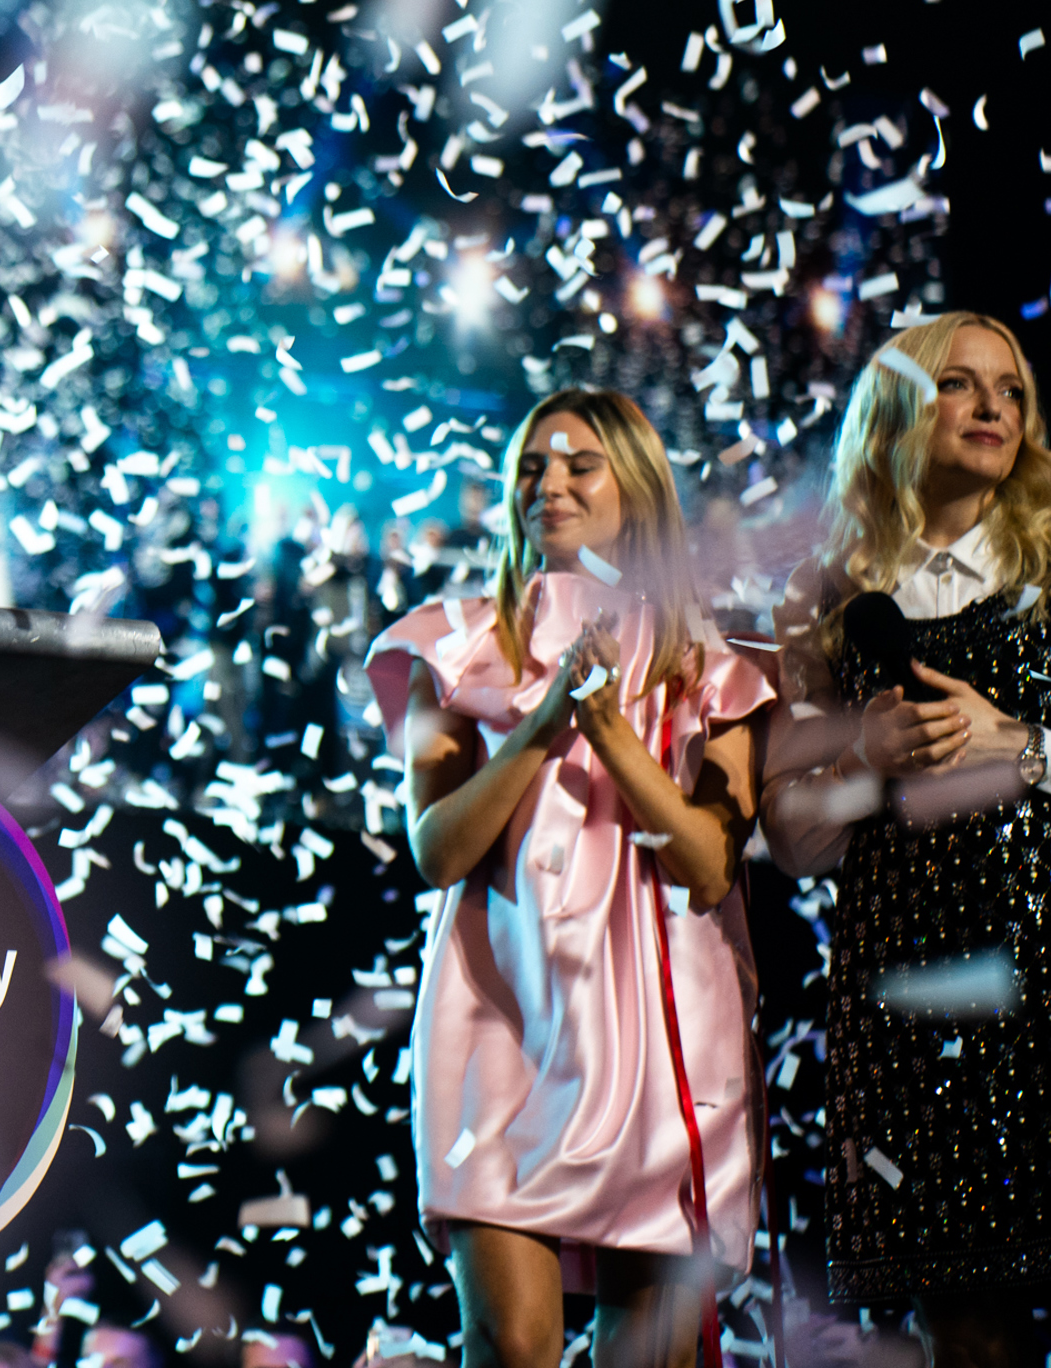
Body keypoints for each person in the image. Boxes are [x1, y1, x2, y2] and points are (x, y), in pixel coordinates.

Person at [364, 388, 770, 1368]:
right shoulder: (451, 644)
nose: (549, 485)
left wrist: (612, 737)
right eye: (530, 469)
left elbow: (711, 861)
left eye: (577, 464)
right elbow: (437, 849)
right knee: (513, 1344)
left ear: (635, 484)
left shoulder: (711, 664)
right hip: (502, 1012)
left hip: (665, 1029)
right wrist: (542, 724)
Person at [760, 313, 1051, 1365]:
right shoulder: (822, 598)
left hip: (1044, 972)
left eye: (1011, 390)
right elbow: (791, 837)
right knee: (971, 1333)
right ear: (894, 409)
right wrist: (862, 761)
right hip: (910, 997)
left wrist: (1018, 743)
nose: (992, 408)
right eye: (961, 385)